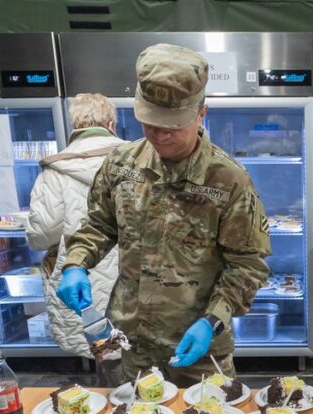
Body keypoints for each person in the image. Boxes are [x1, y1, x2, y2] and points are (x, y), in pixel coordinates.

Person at [56, 43, 270, 384]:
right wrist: (75, 264)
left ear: (201, 113)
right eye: (151, 123)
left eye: (173, 125)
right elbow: (99, 224)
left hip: (198, 348)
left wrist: (212, 320)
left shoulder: (228, 180)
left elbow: (247, 265)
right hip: (132, 343)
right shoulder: (121, 165)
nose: (160, 135)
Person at [26, 93, 128, 382]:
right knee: (140, 356)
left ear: (74, 125)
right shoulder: (135, 160)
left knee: (105, 351)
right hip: (134, 276)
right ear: (111, 124)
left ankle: (113, 399)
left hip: (80, 275)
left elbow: (41, 234)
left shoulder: (55, 170)